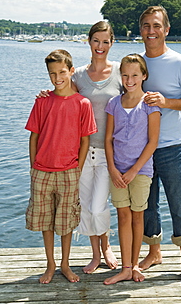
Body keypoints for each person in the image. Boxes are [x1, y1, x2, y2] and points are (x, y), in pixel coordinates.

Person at [37, 21, 122, 274]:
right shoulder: (78, 75)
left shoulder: (120, 71)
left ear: (112, 43)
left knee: (99, 206)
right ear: (89, 41)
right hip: (82, 153)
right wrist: (44, 94)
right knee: (85, 206)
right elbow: (61, 92)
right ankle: (95, 254)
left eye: (105, 41)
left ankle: (106, 245)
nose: (100, 46)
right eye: (96, 40)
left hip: (109, 152)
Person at [139, 6, 181, 286]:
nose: (150, 31)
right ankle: (154, 253)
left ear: (166, 30)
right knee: (147, 206)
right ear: (140, 29)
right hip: (143, 149)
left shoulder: (180, 63)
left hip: (173, 147)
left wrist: (166, 102)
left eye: (156, 26)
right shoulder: (135, 63)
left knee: (180, 206)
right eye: (145, 25)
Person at [25, 49, 97, 284]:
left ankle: (65, 264)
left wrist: (78, 168)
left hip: (69, 172)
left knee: (65, 223)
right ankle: (51, 264)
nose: (57, 77)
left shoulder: (82, 103)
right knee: (45, 222)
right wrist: (33, 167)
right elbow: (34, 136)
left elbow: (85, 139)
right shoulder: (43, 101)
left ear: (71, 71)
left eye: (62, 72)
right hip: (42, 171)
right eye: (52, 73)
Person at [103, 54, 161, 285]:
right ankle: (125, 268)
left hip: (141, 171)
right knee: (123, 216)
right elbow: (108, 140)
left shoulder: (150, 104)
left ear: (143, 76)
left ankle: (135, 265)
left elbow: (153, 142)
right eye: (125, 75)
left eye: (135, 75)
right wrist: (113, 169)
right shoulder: (113, 104)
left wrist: (134, 171)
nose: (129, 79)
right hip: (117, 170)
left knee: (138, 218)